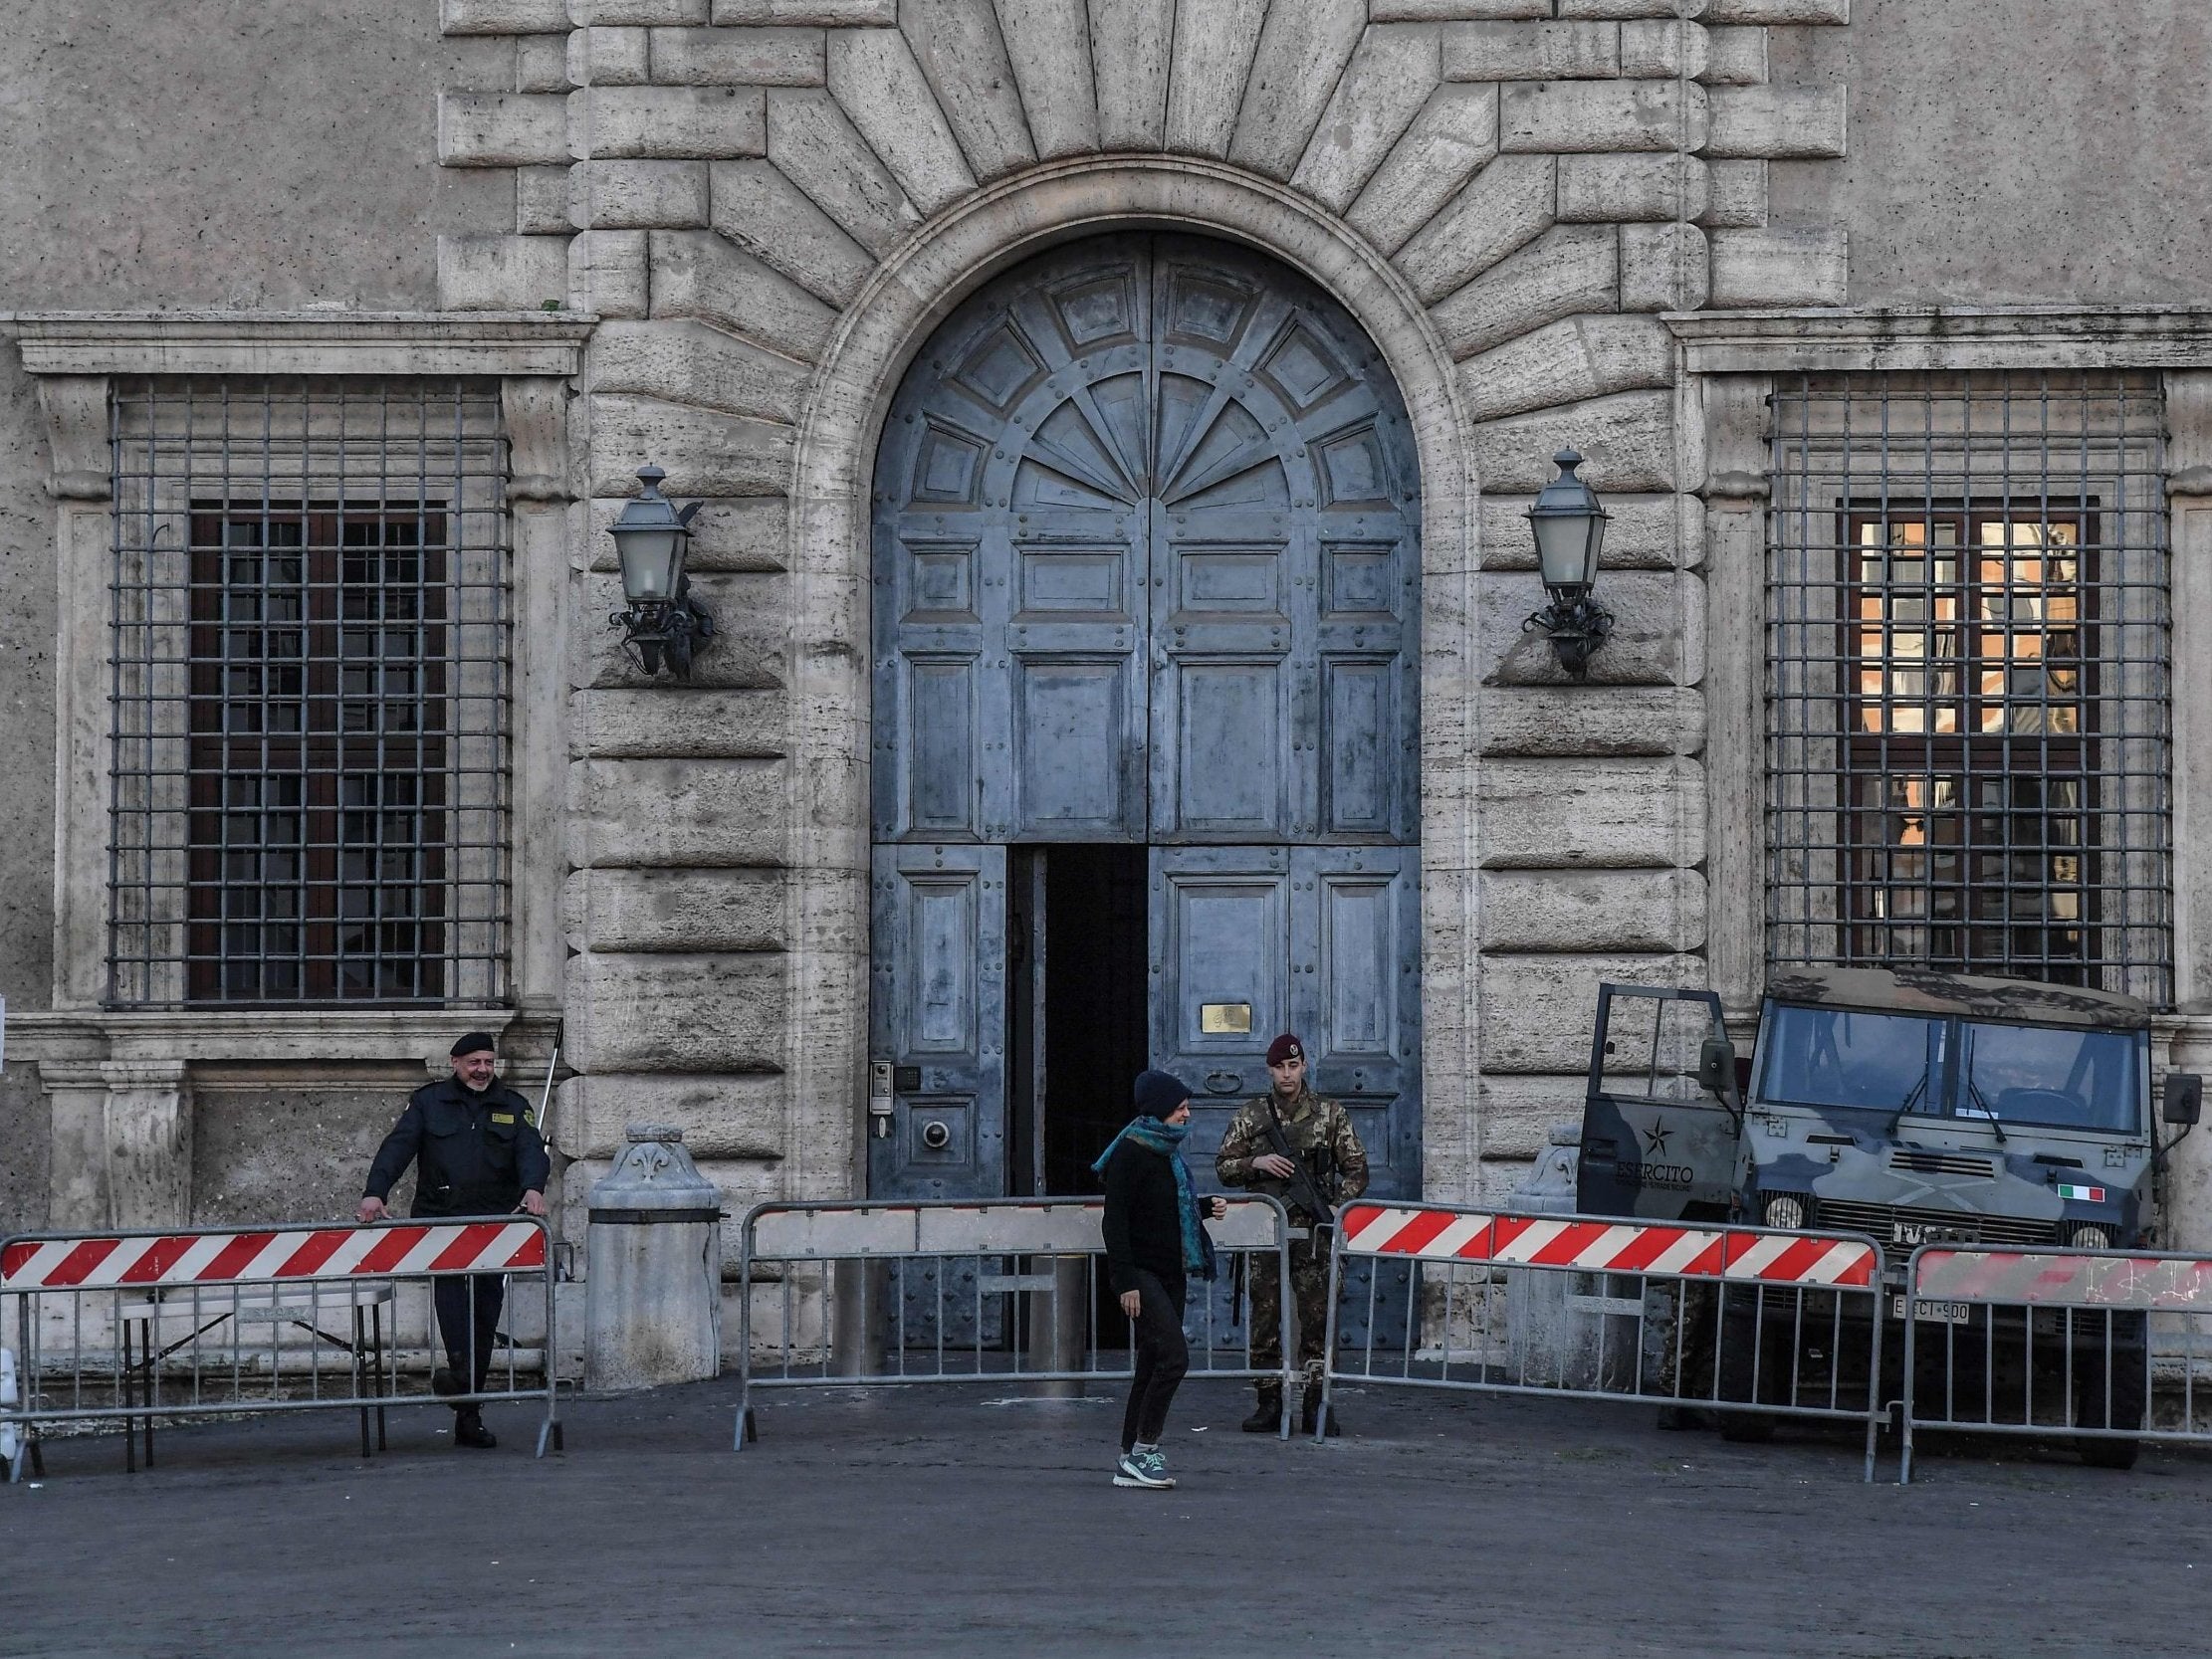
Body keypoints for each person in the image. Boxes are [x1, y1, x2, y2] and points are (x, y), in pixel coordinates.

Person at [358, 1032, 549, 1450]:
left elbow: (532, 1150)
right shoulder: (428, 1102)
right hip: (442, 1223)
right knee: (453, 1309)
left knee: (484, 1315)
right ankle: (464, 1388)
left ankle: (466, 1404)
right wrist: (376, 1192)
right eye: (473, 1062)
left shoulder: (513, 1106)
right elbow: (398, 1147)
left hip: (494, 1226)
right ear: (455, 1062)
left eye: (487, 1062)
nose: (482, 1070)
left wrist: (533, 1187)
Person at [1216, 1033, 1369, 1436]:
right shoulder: (1252, 1116)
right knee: (1264, 1319)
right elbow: (1224, 1167)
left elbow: (1357, 1170)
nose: (1287, 1074)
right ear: (1270, 1069)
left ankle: (1316, 1403)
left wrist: (1337, 1205)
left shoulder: (1330, 1114)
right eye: (1280, 1067)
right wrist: (1257, 1161)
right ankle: (1268, 1402)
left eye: (1293, 1066)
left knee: (1319, 1321)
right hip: (1265, 1232)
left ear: (1304, 1067)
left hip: (1314, 1232)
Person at [1095, 1069, 1227, 1491]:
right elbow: (1115, 1223)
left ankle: (1127, 1458)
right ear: (1159, 1110)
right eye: (1180, 1107)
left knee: (1151, 1364)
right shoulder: (1131, 1154)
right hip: (1143, 1275)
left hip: (1171, 1273)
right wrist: (1125, 1281)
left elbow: (1166, 1210)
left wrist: (1203, 1208)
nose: (1187, 1113)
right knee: (1175, 1358)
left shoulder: (1166, 1152)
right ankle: (1144, 1449)